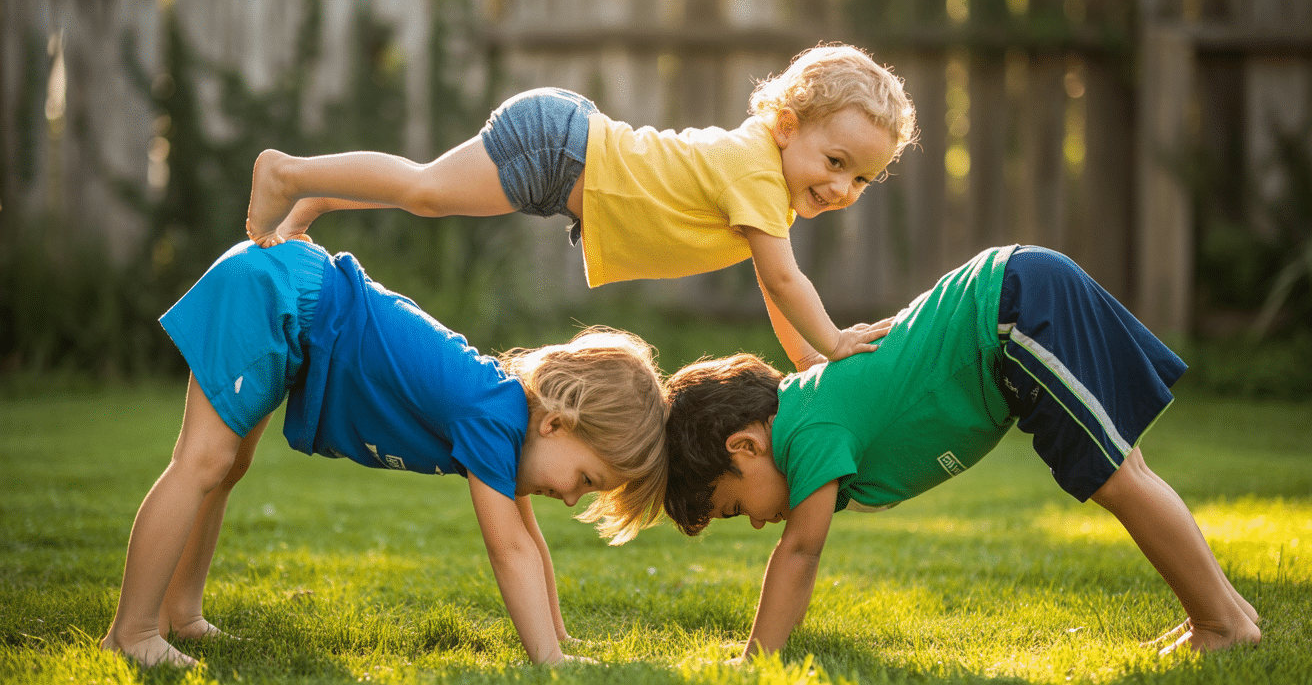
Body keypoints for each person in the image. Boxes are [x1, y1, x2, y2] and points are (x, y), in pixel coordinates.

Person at [661, 245, 1262, 661]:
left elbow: (800, 551)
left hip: (1012, 313)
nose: (762, 520)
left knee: (1117, 479)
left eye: (737, 508)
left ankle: (1222, 624)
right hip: (1017, 295)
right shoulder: (810, 404)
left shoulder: (805, 432)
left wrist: (757, 659)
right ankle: (1226, 613)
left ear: (745, 444)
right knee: (1125, 471)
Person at [99, 239, 667, 668]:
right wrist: (549, 662)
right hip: (281, 295)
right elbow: (510, 549)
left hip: (295, 293)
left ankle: (181, 614)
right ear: (556, 423)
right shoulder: (494, 417)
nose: (569, 499)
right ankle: (132, 632)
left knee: (225, 468)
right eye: (586, 479)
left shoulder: (505, 416)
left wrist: (559, 637)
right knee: (202, 462)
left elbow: (526, 536)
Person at [245, 43, 917, 371]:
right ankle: (287, 171)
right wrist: (832, 341)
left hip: (563, 161)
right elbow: (783, 280)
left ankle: (319, 196)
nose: (842, 190)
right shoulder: (756, 173)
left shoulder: (766, 193)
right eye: (836, 163)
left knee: (425, 196)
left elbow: (774, 293)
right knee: (425, 190)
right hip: (560, 148)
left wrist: (805, 363)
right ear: (786, 125)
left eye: (863, 179)